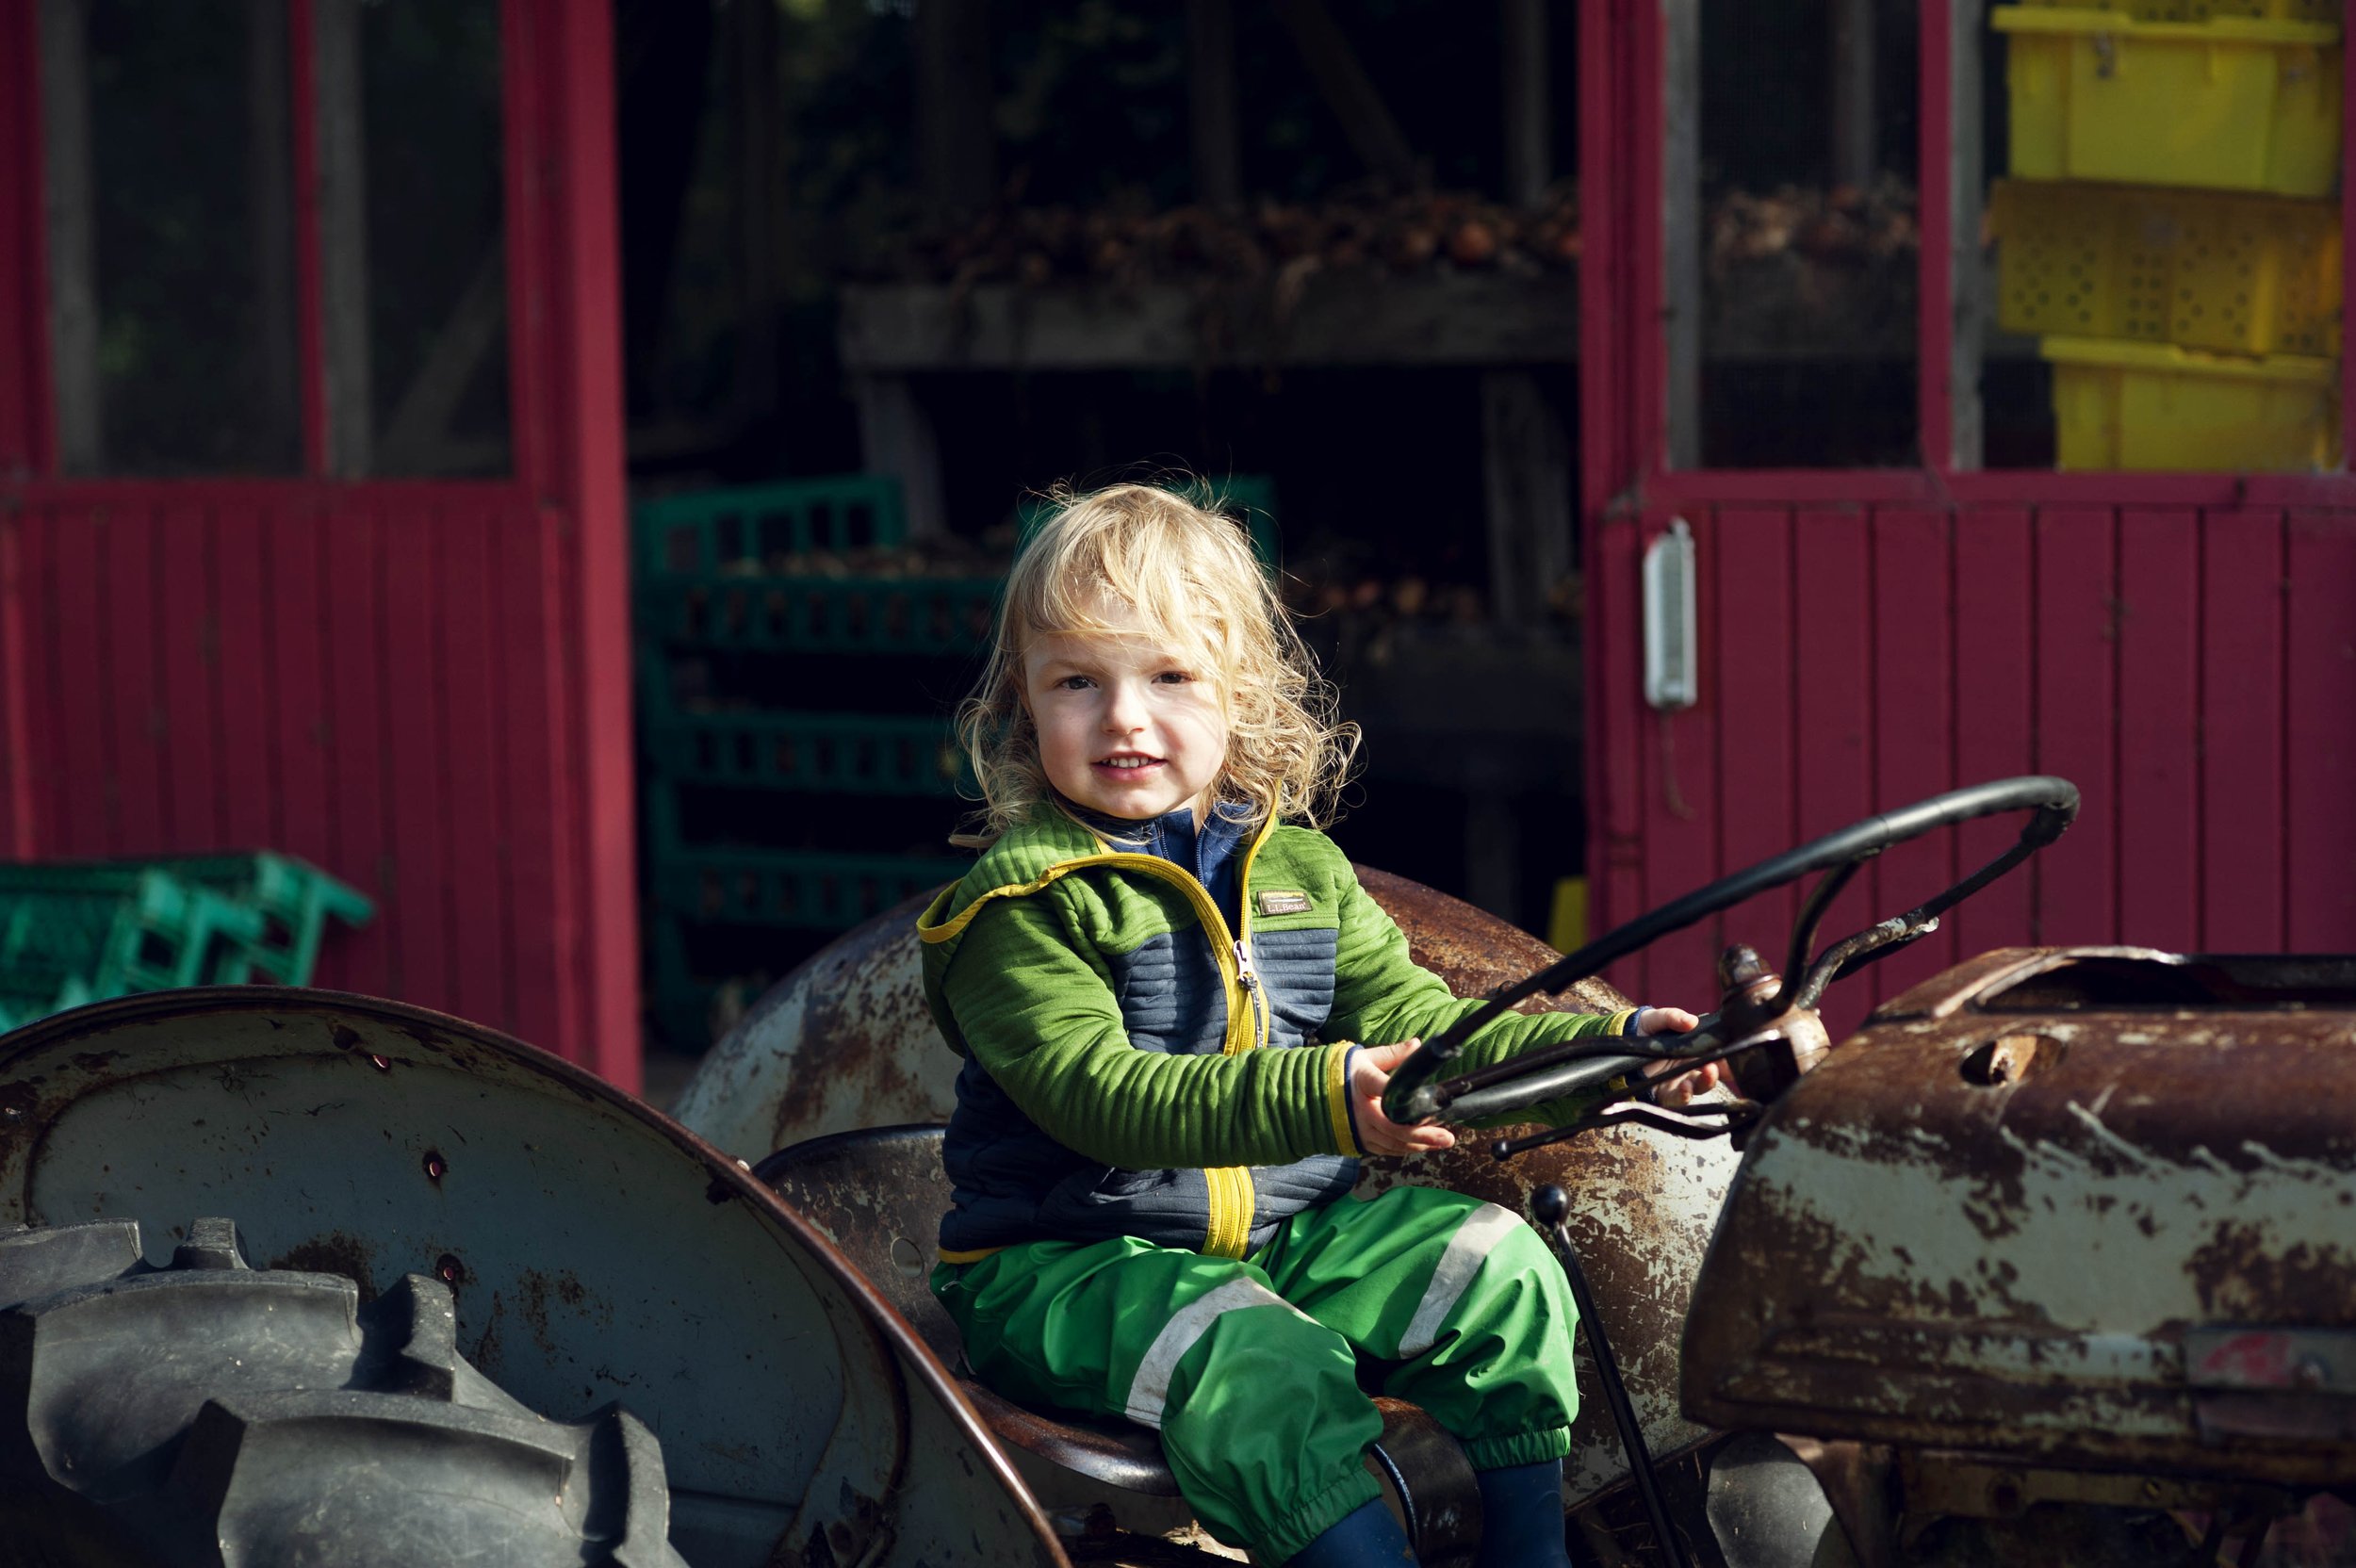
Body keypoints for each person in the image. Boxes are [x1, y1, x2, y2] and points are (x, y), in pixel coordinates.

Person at [918, 482, 1715, 1567]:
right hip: (1067, 1266)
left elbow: (1423, 1025)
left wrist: (1622, 1055)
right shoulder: (1019, 906)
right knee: (1259, 1361)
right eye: (1076, 682)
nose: (1122, 718)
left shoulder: (1297, 868)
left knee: (1499, 1261)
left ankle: (1530, 1554)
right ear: (1024, 697)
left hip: (1279, 1243)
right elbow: (1097, 1094)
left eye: (1168, 675)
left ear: (1239, 689)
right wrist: (1327, 1094)